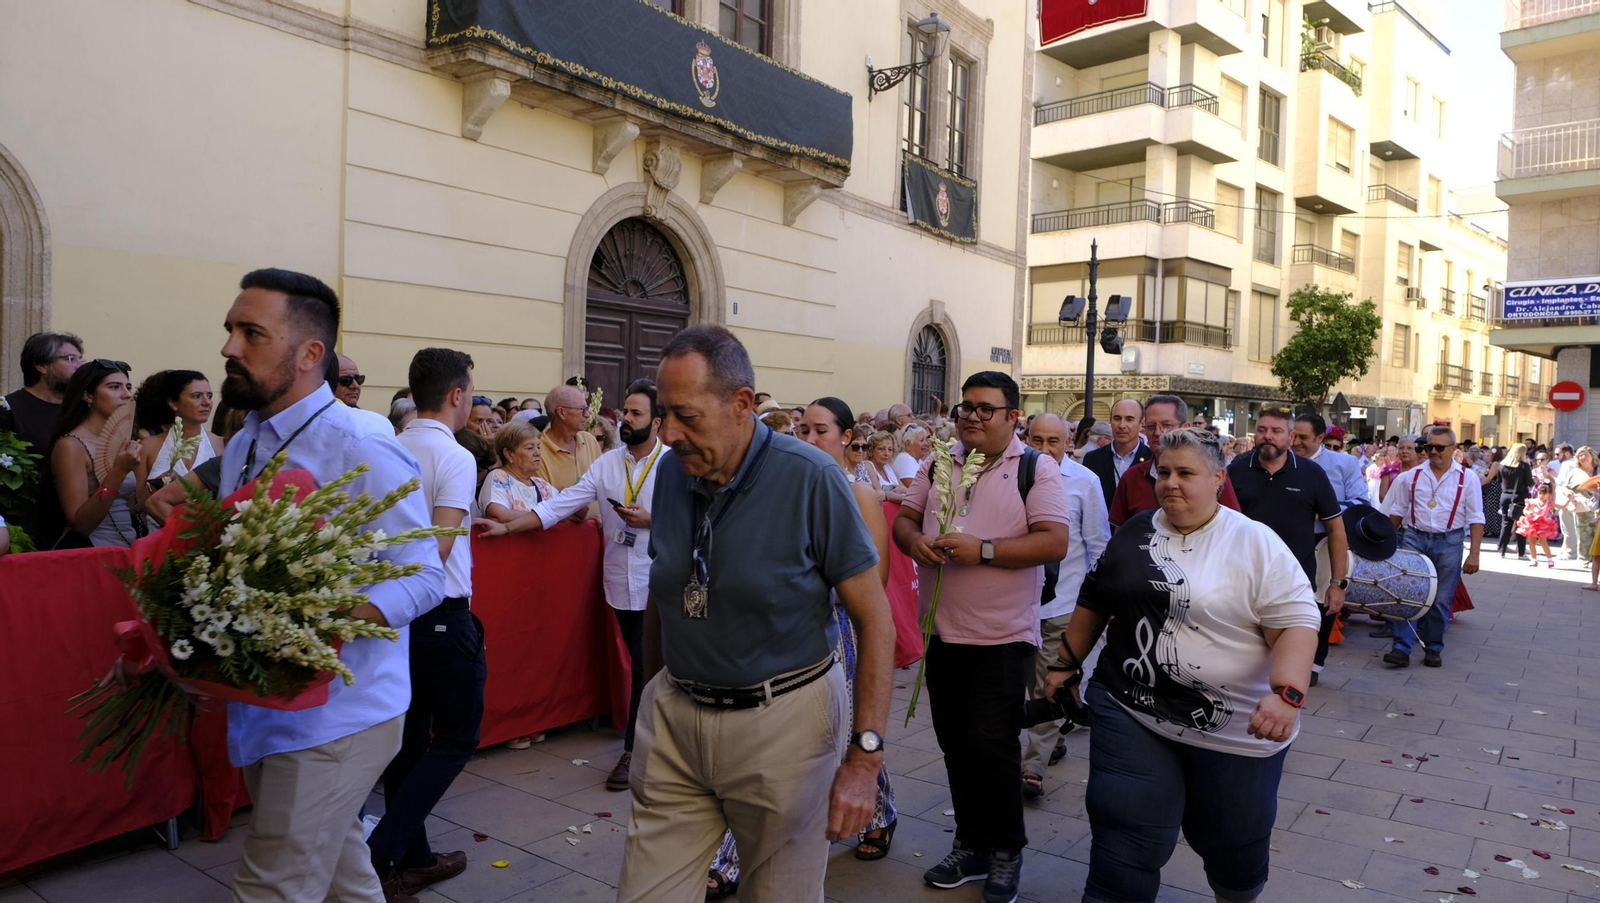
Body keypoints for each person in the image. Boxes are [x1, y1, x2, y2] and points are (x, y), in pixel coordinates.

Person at [618, 327, 893, 903]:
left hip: (785, 724)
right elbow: (663, 593)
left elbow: (875, 620)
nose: (668, 434)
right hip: (677, 719)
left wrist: (864, 760)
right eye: (663, 414)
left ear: (742, 404)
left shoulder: (811, 479)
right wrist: (648, 697)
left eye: (685, 416)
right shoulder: (672, 472)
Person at [209, 268, 443, 903]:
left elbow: (425, 575)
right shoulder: (245, 442)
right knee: (344, 881)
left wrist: (320, 621)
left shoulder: (357, 442)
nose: (230, 347)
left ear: (311, 354)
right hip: (271, 704)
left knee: (273, 886)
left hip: (337, 716)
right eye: (230, 330)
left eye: (251, 333)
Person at [1042, 427, 1319, 903]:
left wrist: (1287, 693)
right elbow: (1095, 598)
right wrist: (1066, 663)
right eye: (1163, 473)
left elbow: (1295, 623)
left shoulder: (1256, 543)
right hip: (1131, 707)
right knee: (1125, 830)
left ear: (1217, 479)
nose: (1170, 482)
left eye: (1185, 473)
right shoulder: (1136, 530)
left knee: (1233, 842)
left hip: (1237, 730)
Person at [707, 396, 902, 896]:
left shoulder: (860, 494)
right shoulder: (785, 486)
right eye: (802, 430)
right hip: (777, 629)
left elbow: (873, 582)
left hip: (836, 630)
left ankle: (871, 811)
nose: (809, 440)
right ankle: (737, 852)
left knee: (834, 736)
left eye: (820, 431)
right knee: (783, 741)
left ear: (844, 437)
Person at [894, 372, 1071, 903]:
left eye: (986, 408)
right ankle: (970, 844)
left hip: (1002, 637)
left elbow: (1055, 541)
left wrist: (984, 550)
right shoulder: (938, 461)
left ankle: (1005, 851)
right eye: (965, 406)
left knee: (992, 749)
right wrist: (917, 542)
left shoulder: (1037, 469)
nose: (972, 416)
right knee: (954, 746)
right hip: (942, 634)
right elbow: (903, 520)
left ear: (1012, 416)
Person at [475, 379, 664, 792]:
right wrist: (508, 531)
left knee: (650, 667)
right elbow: (558, 506)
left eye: (636, 413)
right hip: (619, 581)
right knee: (641, 666)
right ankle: (654, 745)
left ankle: (634, 751)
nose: (625, 419)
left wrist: (653, 520)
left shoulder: (674, 464)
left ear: (658, 421)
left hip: (660, 582)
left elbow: (700, 518)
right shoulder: (607, 463)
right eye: (626, 411)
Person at [368, 348, 483, 903]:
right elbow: (439, 547)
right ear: (457, 395)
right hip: (436, 610)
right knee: (458, 736)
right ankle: (385, 849)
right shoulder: (455, 456)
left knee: (409, 743)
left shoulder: (389, 444)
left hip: (395, 614)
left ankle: (411, 860)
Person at [1021, 413, 1108, 796]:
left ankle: (1032, 767)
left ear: (1068, 442)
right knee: (1026, 684)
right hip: (1017, 605)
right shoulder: (1014, 476)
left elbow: (1098, 545)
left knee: (1047, 686)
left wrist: (1093, 606)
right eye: (1036, 440)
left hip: (1063, 605)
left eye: (1052, 441)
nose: (1044, 449)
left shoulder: (1086, 482)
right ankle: (1052, 736)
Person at [1232, 408, 1350, 687]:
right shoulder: (1236, 469)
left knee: (1289, 649)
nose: (1267, 437)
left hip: (1295, 580)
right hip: (1242, 578)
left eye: (1276, 431)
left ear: (1291, 436)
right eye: (1261, 430)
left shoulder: (1311, 473)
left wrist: (1337, 583)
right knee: (1244, 653)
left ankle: (1284, 696)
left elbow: (1336, 528)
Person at [1380, 426, 1484, 669]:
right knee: (1407, 594)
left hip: (1450, 541)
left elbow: (1476, 518)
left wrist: (1475, 554)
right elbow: (1397, 512)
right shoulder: (1411, 476)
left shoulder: (1467, 478)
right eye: (1429, 447)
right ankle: (1401, 648)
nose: (1433, 451)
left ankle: (1433, 647)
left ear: (1454, 449)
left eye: (1439, 447)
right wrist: (1382, 542)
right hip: (1414, 537)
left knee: (1440, 599)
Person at [47, 359, 142, 549]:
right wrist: (118, 471)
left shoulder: (123, 440)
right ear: (88, 396)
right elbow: (81, 524)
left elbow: (126, 507)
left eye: (128, 387)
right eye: (114, 387)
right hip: (91, 552)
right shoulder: (71, 445)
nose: (126, 395)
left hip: (126, 547)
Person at [1109, 395, 1240, 530]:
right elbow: (1120, 536)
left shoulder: (1209, 474)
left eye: (1166, 425)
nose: (1157, 432)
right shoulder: (1131, 478)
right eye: (1151, 426)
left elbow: (1233, 526)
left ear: (1185, 426)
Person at [135, 370, 224, 514]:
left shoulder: (220, 444)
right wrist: (155, 488)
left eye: (209, 396)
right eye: (196, 396)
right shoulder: (149, 446)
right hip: (159, 531)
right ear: (173, 403)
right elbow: (137, 503)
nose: (207, 402)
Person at [0, 331, 85, 454]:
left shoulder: (83, 408)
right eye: (70, 359)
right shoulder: (7, 411)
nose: (80, 366)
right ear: (42, 365)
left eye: (80, 359)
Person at [538, 383, 602, 518]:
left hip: (598, 532)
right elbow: (542, 504)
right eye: (582, 409)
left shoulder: (589, 440)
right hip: (561, 533)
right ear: (562, 412)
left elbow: (603, 484)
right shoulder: (538, 451)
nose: (587, 415)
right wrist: (573, 513)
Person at [1083, 398, 1150, 506]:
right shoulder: (1093, 459)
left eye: (1129, 419)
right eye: (1117, 418)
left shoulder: (1152, 459)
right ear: (1110, 421)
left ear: (1142, 424)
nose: (1122, 425)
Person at [1497, 443, 1534, 559]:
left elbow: (1499, 480)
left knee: (1505, 523)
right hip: (1520, 496)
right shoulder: (1524, 466)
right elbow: (1529, 482)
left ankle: (1502, 550)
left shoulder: (1502, 465)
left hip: (1505, 495)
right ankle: (1521, 552)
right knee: (1521, 524)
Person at [1517, 483, 1560, 569]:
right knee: (1531, 541)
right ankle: (1534, 559)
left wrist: (1568, 501)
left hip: (1542, 525)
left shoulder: (1549, 503)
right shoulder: (1532, 501)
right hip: (1532, 523)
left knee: (1543, 542)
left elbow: (1561, 506)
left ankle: (1550, 559)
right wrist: (1527, 512)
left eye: (1544, 493)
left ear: (1549, 494)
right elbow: (1525, 509)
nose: (1541, 495)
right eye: (1540, 493)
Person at [863, 431, 906, 502]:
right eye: (881, 449)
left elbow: (905, 489)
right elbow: (880, 494)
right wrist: (900, 495)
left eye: (890, 450)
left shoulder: (888, 467)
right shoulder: (868, 465)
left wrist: (900, 491)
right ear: (871, 451)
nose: (886, 453)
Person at [893, 422, 933, 487]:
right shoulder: (905, 460)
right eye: (921, 440)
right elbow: (916, 490)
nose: (927, 444)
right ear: (908, 444)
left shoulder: (917, 460)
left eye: (926, 439)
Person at [1480, 446, 1504, 542]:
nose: (1488, 456)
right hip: (1494, 487)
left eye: (1490, 454)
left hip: (1493, 488)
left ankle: (1492, 529)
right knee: (1490, 508)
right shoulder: (1494, 463)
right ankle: (1491, 529)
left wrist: (1479, 485)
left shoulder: (1495, 463)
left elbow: (1489, 478)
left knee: (1491, 508)